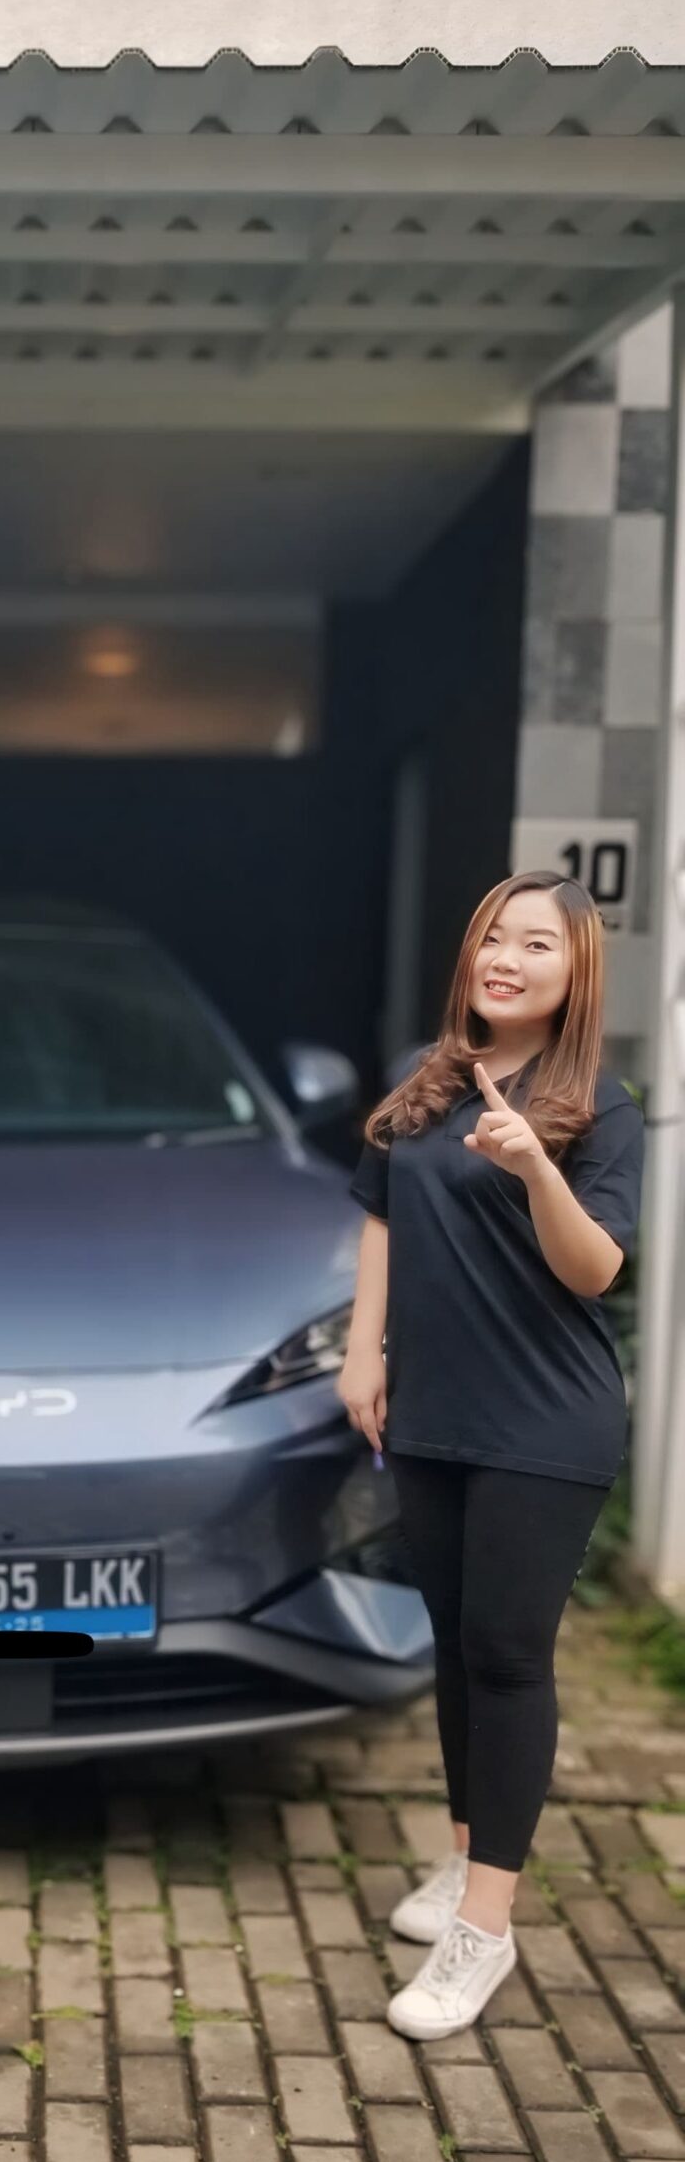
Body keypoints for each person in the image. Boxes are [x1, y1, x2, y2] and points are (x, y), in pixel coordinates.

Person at [339, 869, 644, 2040]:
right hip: (433, 1410)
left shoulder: (596, 1105)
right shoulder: (428, 1079)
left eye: (537, 945)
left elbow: (595, 1270)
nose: (507, 960)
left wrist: (534, 1168)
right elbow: (382, 1211)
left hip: (543, 1420)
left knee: (510, 1657)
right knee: (460, 1650)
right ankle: (468, 1856)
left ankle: (486, 1927)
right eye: (494, 938)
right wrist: (363, 1351)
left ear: (576, 973)